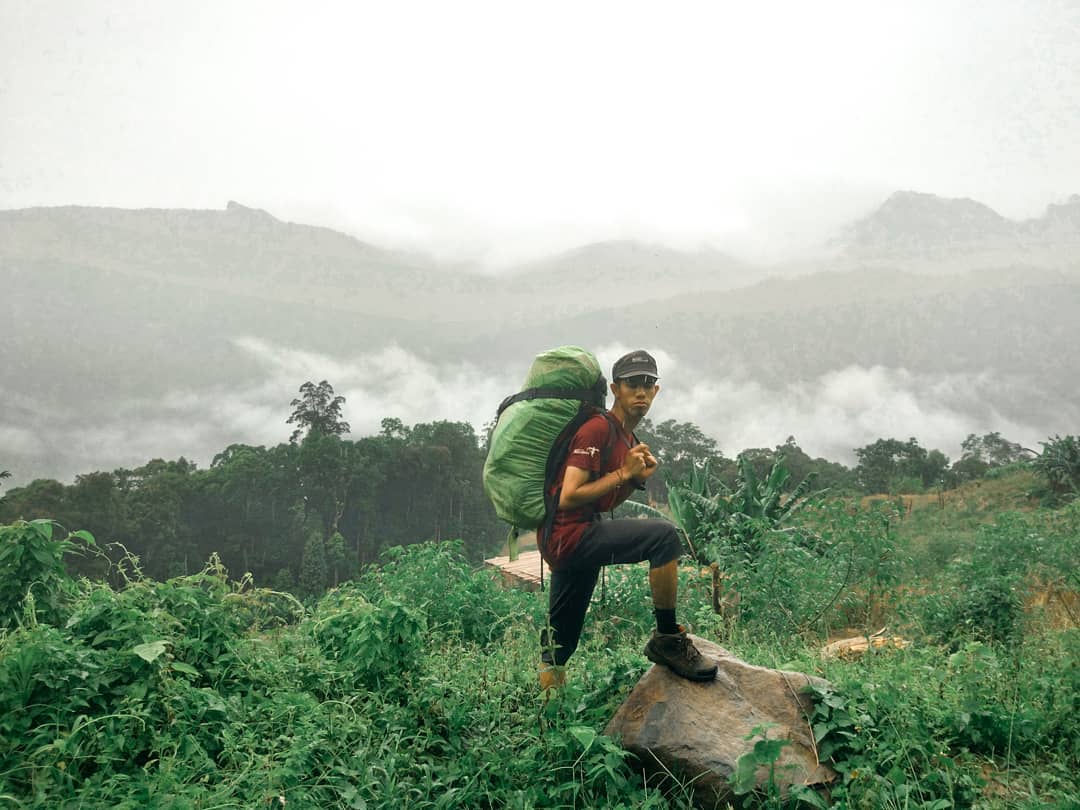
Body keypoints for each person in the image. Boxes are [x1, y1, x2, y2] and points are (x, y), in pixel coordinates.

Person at [537, 350, 718, 689]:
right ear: (615, 389)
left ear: (656, 391)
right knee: (664, 537)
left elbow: (603, 499)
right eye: (632, 384)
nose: (641, 392)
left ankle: (551, 717)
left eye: (648, 384)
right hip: (570, 535)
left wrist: (634, 478)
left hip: (569, 539)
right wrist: (624, 471)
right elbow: (570, 495)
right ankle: (667, 637)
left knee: (558, 644)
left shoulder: (625, 437)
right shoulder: (596, 428)